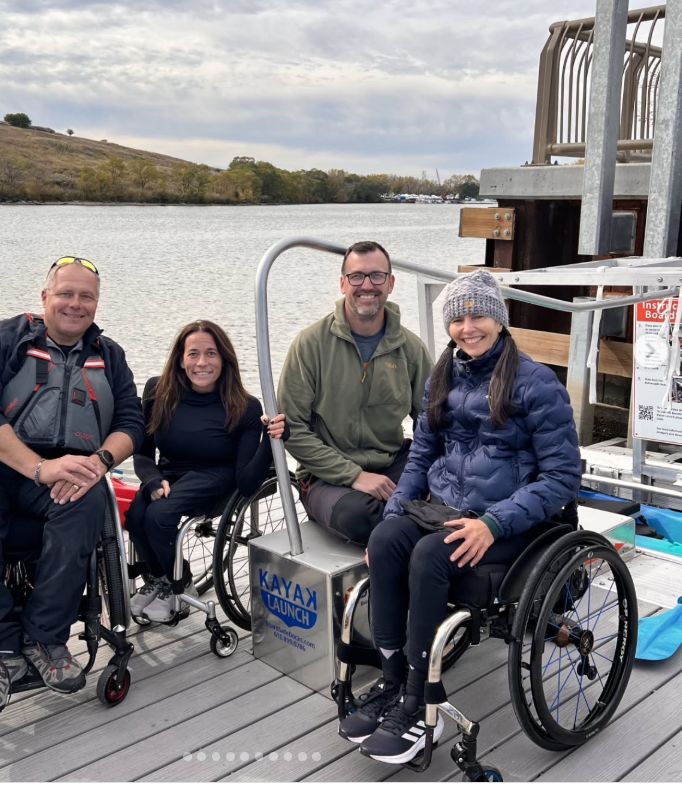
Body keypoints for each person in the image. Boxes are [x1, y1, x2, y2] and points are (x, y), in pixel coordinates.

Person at [339, 269, 582, 764]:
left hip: (514, 523)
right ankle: (392, 679)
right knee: (385, 541)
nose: (468, 328)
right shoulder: (442, 376)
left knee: (431, 554)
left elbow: (562, 478)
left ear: (500, 321)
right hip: (448, 508)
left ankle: (417, 699)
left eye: (478, 317)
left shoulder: (537, 383)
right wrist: (392, 513)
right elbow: (421, 456)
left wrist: (493, 524)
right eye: (458, 319)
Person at [0, 257, 144, 725]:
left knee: (88, 502)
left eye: (86, 296)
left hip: (68, 466)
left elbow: (132, 422)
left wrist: (98, 463)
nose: (75, 304)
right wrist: (39, 468)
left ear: (97, 303)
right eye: (65, 293)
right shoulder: (1, 339)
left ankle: (45, 638)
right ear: (45, 297)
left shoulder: (110, 356)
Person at [127, 320, 288, 623]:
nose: (202, 362)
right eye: (193, 354)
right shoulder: (157, 391)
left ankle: (180, 582)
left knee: (158, 516)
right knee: (135, 515)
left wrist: (271, 441)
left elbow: (246, 482)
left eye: (211, 353)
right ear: (181, 359)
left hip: (217, 477)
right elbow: (143, 453)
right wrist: (151, 478)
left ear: (224, 359)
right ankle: (164, 578)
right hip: (171, 473)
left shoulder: (245, 406)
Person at [277, 240, 432, 546]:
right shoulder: (310, 345)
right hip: (325, 475)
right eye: (357, 276)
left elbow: (431, 422)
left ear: (390, 283)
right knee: (359, 517)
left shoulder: (412, 350)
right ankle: (404, 537)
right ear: (343, 283)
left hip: (391, 462)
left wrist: (424, 476)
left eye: (377, 276)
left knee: (449, 491)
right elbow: (292, 429)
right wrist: (354, 476)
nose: (367, 285)